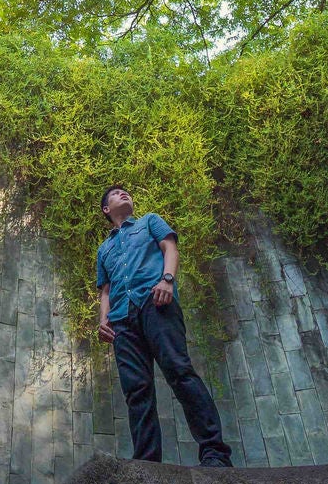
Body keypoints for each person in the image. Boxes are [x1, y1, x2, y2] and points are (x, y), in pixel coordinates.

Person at [96, 185, 233, 467]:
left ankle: (215, 453)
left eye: (126, 192)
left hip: (156, 303)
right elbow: (105, 290)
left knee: (179, 371)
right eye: (116, 193)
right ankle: (147, 464)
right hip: (122, 321)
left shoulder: (149, 221)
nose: (124, 194)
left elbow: (170, 247)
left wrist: (167, 279)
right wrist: (103, 320)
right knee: (136, 390)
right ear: (106, 210)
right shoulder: (104, 249)